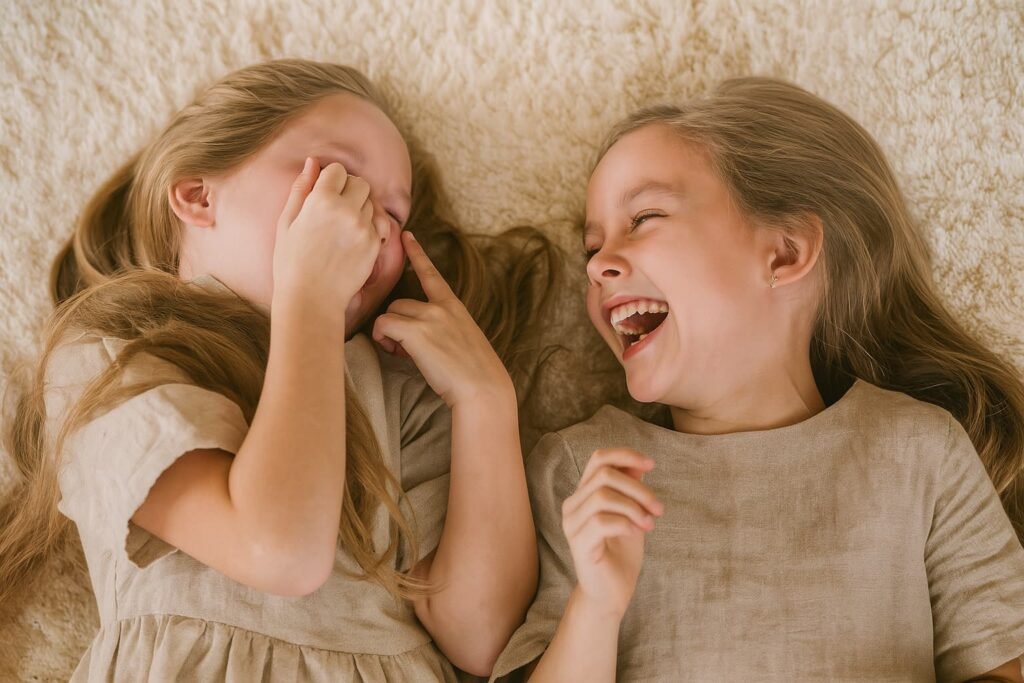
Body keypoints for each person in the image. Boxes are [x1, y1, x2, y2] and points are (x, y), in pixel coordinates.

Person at [0, 58, 555, 681]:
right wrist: (311, 297)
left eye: (396, 218)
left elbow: (482, 638)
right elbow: (279, 551)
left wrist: (486, 403)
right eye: (339, 178)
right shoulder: (113, 355)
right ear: (198, 195)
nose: (368, 221)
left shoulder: (399, 389)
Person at [492, 77, 1024, 682]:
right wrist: (597, 606)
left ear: (784, 253)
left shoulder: (917, 451)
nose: (596, 264)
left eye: (643, 217)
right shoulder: (582, 471)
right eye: (592, 245)